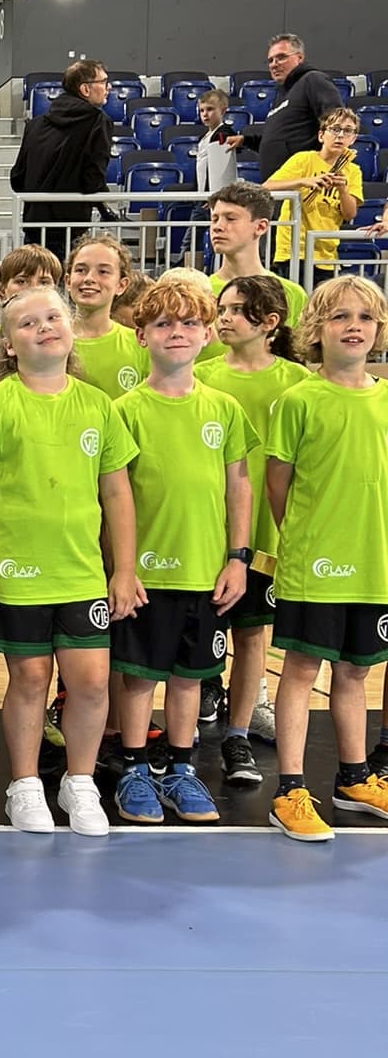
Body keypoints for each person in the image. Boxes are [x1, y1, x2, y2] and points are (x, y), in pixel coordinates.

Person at [0, 285, 141, 837]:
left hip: (80, 573)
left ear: (70, 327)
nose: (44, 328)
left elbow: (117, 493)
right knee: (30, 678)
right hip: (18, 575)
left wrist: (124, 569)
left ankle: (80, 782)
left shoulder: (98, 405)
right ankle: (25, 785)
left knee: (92, 682)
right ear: (9, 345)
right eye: (28, 323)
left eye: (53, 316)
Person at [108, 279, 255, 828]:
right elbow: (112, 496)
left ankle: (181, 768)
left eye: (190, 323)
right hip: (145, 575)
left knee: (190, 678)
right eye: (164, 323)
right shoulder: (124, 411)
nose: (177, 333)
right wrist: (121, 569)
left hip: (205, 571)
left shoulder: (224, 409)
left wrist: (238, 557)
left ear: (208, 334)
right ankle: (133, 769)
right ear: (141, 334)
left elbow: (239, 485)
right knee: (140, 676)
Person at [265, 277, 388, 841]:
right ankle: (289, 788)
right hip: (315, 563)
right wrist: (305, 539)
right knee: (301, 669)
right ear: (317, 329)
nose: (353, 326)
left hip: (373, 563)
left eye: (364, 317)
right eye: (340, 316)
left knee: (356, 671)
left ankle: (354, 778)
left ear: (378, 329)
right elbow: (279, 485)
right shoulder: (299, 400)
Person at [201, 275, 308, 781]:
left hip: (266, 533)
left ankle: (238, 736)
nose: (224, 318)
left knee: (249, 636)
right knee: (199, 634)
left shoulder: (297, 382)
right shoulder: (200, 375)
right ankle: (191, 722)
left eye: (236, 310)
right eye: (221, 309)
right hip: (205, 529)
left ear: (269, 322)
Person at [9, 56, 113, 260]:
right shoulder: (98, 121)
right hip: (71, 227)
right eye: (104, 82)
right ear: (85, 89)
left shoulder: (35, 124)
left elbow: (17, 178)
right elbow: (92, 179)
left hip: (34, 225)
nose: (108, 88)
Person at [265, 103, 362, 283]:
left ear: (353, 138)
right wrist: (303, 181)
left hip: (326, 254)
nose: (340, 135)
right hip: (293, 250)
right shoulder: (304, 159)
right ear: (321, 135)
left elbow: (350, 214)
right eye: (335, 129)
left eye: (348, 131)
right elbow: (266, 187)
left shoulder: (353, 171)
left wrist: (342, 190)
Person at [241, 33, 342, 179]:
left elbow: (337, 123)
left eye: (281, 57)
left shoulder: (313, 80)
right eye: (270, 60)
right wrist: (245, 141)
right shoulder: (281, 95)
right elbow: (281, 140)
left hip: (305, 182)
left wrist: (328, 170)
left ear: (299, 58)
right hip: (279, 184)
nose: (274, 64)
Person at [207, 180, 307, 328]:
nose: (217, 227)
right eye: (215, 219)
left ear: (260, 227)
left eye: (230, 218)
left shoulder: (291, 293)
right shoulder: (199, 290)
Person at [65, 233, 150, 398]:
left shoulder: (140, 345)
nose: (89, 278)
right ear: (68, 281)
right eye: (81, 270)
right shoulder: (52, 341)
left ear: (121, 285)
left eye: (103, 271)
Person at [194, 87, 242, 194]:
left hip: (216, 191)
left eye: (210, 109)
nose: (205, 114)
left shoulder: (224, 133)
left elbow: (220, 169)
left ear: (223, 111)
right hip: (202, 191)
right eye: (202, 110)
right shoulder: (203, 137)